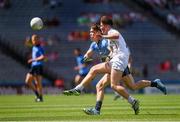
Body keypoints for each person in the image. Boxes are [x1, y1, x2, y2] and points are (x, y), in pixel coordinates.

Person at [25, 34, 45, 102]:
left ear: (38, 40)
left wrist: (33, 60)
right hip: (33, 66)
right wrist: (27, 42)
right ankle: (37, 94)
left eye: (34, 39)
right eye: (32, 39)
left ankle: (40, 97)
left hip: (38, 66)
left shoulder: (40, 47)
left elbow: (43, 57)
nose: (33, 41)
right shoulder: (34, 47)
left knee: (38, 83)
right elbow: (27, 44)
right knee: (27, 81)